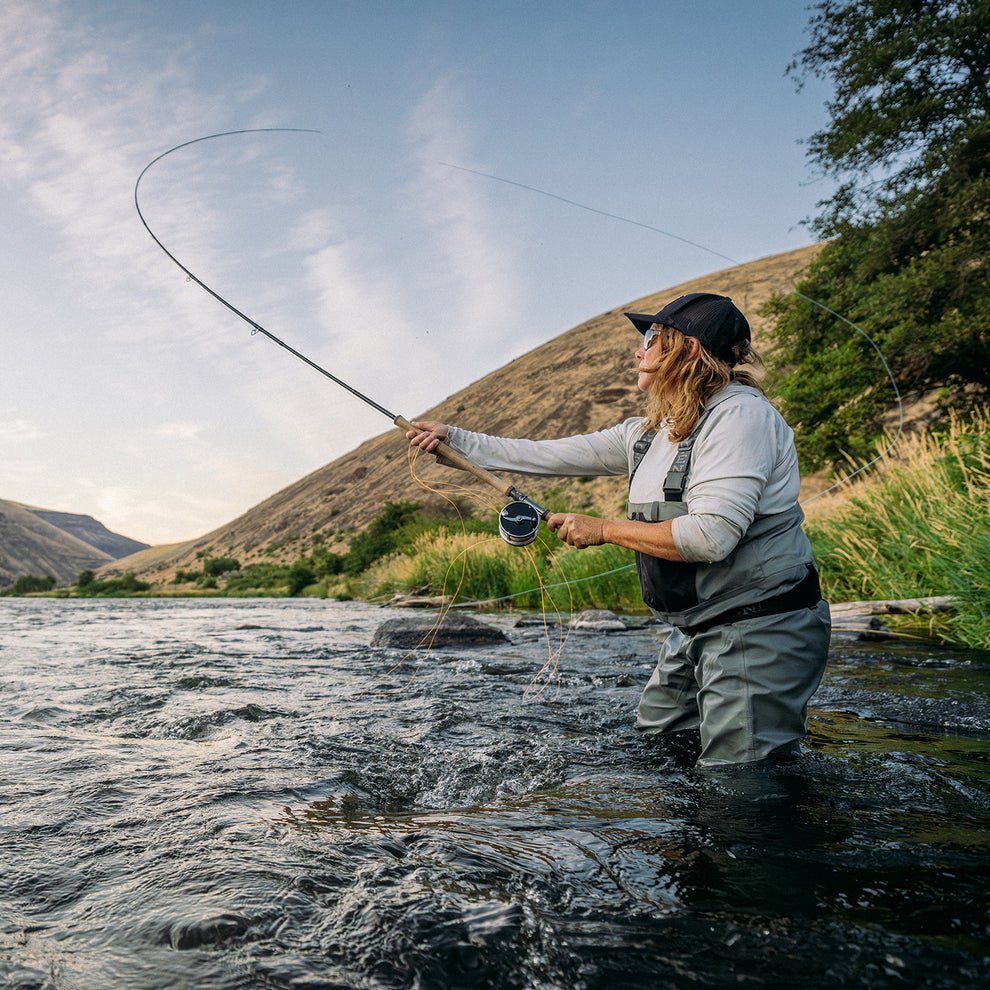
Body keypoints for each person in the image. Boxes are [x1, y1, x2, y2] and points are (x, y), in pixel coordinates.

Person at [406, 292, 831, 768]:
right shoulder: (649, 433)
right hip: (697, 627)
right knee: (659, 747)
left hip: (762, 626)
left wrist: (604, 529)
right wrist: (455, 440)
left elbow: (710, 537)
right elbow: (545, 454)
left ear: (689, 349)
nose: (638, 350)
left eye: (652, 338)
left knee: (742, 780)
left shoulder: (740, 416)